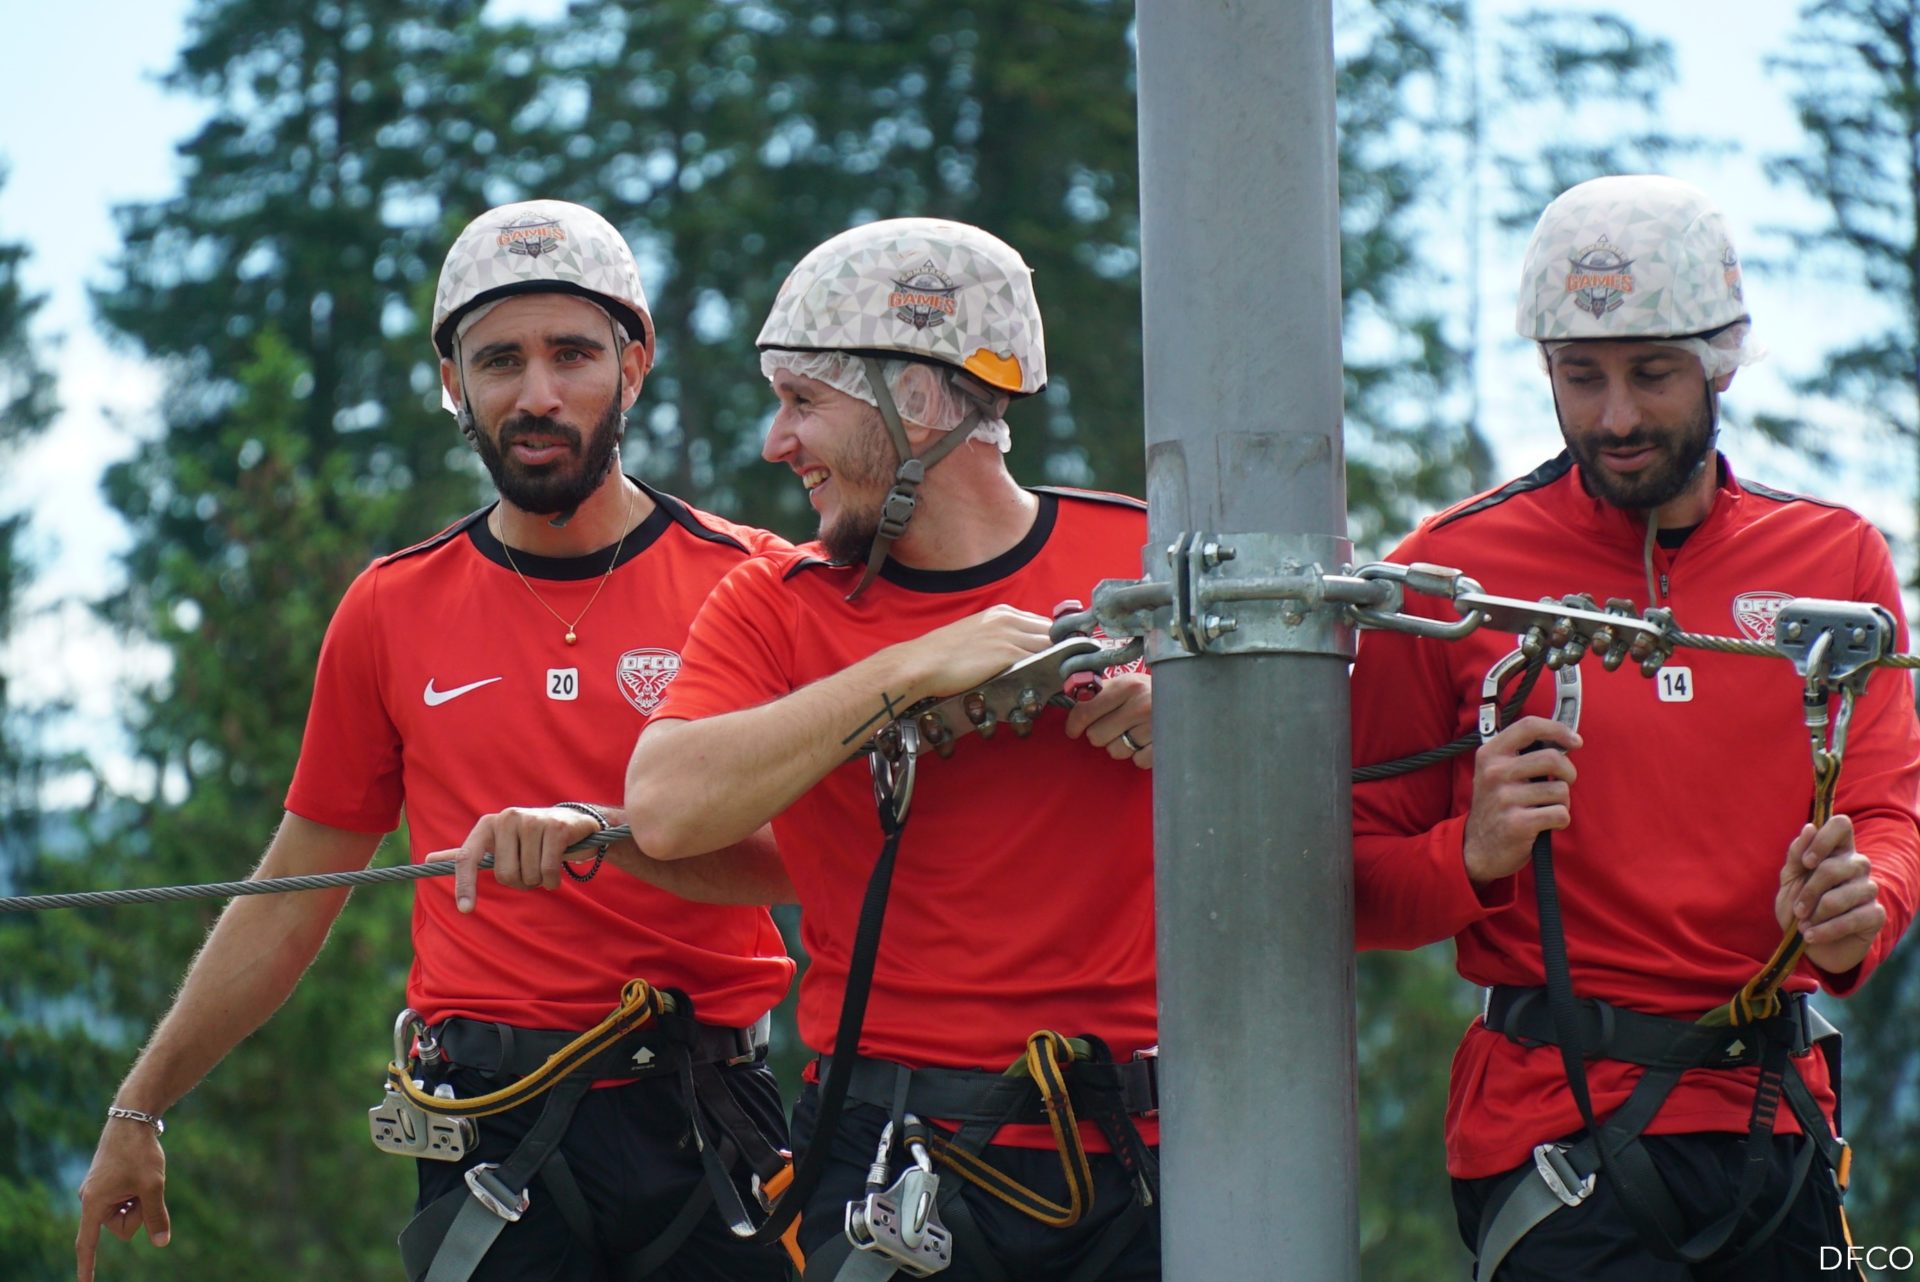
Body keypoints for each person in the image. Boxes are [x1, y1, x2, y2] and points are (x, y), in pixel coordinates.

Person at [74, 199, 797, 1282]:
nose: (537, 394)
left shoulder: (755, 585)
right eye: (499, 360)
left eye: (572, 354)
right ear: (454, 383)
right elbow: (293, 891)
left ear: (634, 363)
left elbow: (822, 853)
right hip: (486, 1143)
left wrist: (610, 834)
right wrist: (143, 1102)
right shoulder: (390, 608)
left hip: (707, 1131)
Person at [1350, 174, 1920, 1279]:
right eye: (1581, 376)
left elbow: (1887, 810)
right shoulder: (1450, 577)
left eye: (1651, 374)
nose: (1614, 417)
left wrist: (1867, 903)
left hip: (1778, 1127)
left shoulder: (1835, 565)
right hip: (1556, 1135)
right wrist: (1469, 853)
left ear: (1723, 359)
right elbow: (1350, 889)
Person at [623, 217, 1163, 1282]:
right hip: (893, 1159)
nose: (778, 443)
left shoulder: (1142, 561)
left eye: (805, 402)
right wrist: (909, 669)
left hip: (1144, 1164)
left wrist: (1199, 729)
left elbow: (1323, 812)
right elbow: (669, 808)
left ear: (915, 402)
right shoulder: (774, 609)